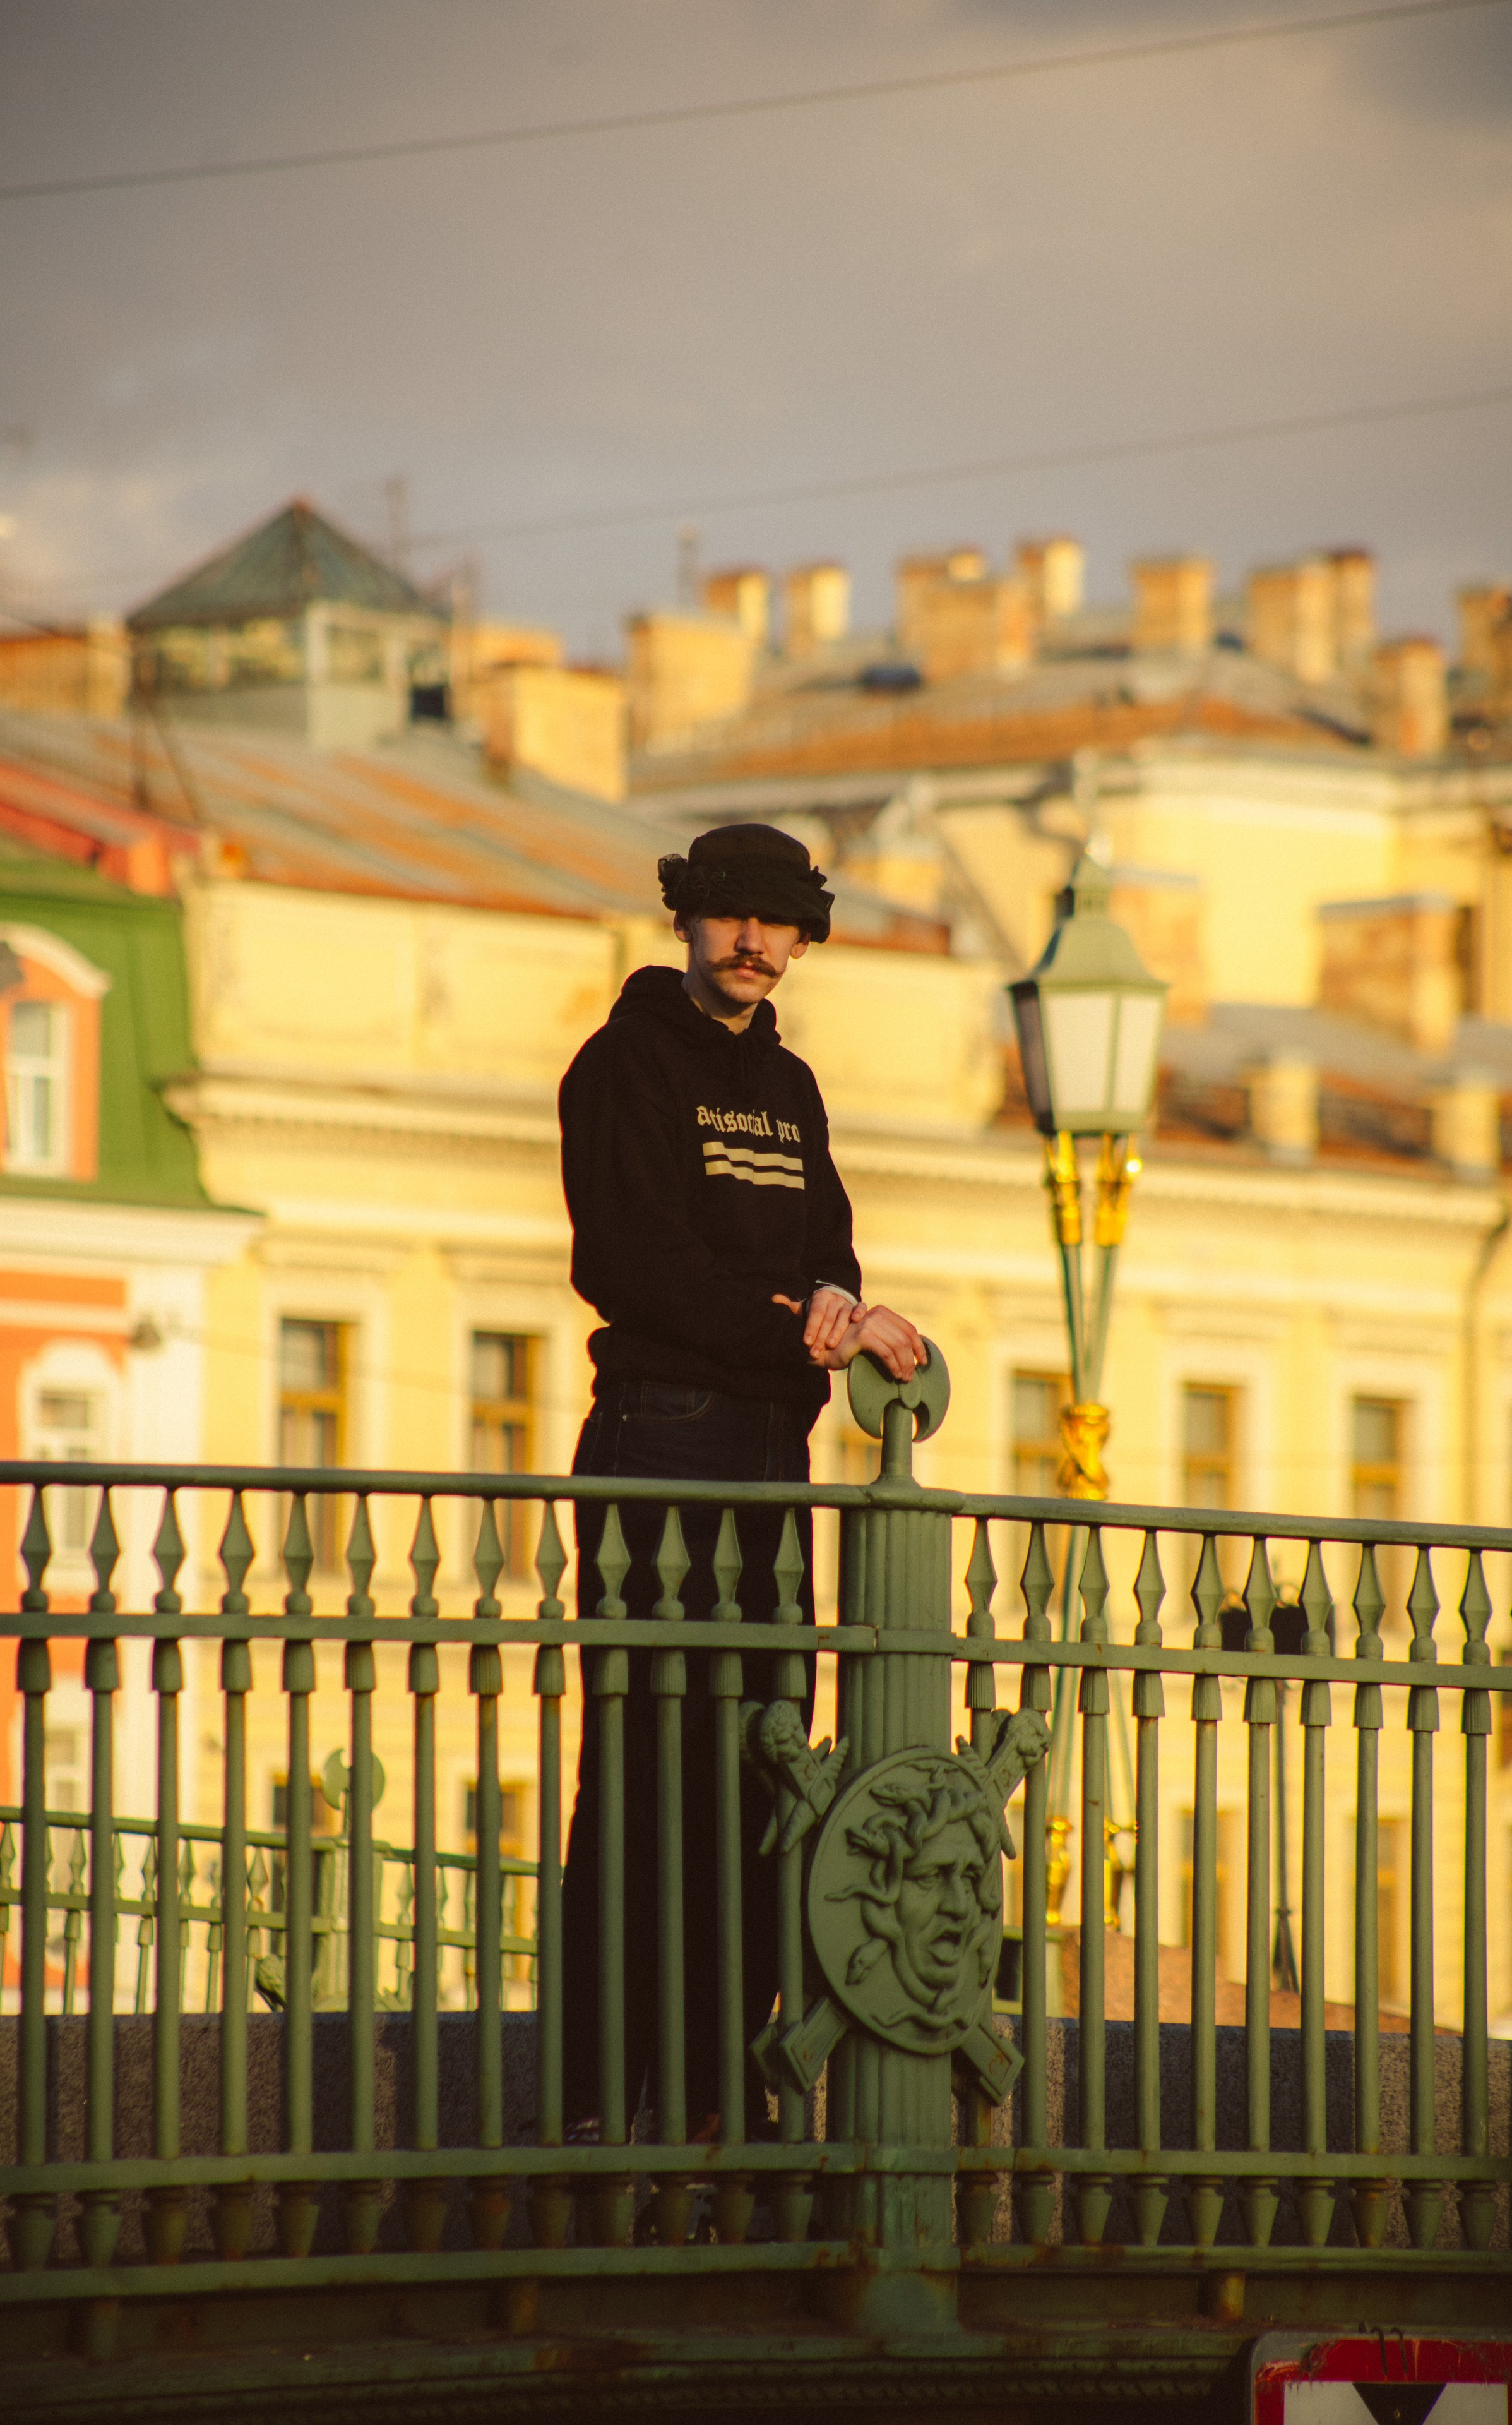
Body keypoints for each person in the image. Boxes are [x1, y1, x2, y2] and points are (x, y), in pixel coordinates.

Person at [556, 821, 926, 2135]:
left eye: (778, 924)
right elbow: (632, 1264)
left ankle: (722, 2098)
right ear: (684, 921)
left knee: (762, 1772)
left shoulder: (791, 1091)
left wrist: (841, 1298)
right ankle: (602, 2099)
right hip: (661, 1436)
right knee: (643, 1768)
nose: (754, 944)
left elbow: (825, 1240)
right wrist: (797, 1326)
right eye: (729, 917)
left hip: (772, 1449)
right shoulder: (622, 1066)